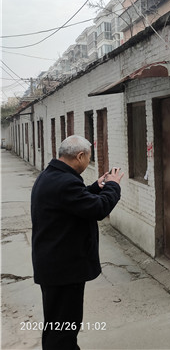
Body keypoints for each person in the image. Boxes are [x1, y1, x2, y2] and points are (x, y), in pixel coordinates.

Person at [31, 135, 124, 350]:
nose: (88, 161)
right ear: (80, 156)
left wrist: (96, 187)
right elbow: (98, 209)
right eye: (89, 157)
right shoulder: (65, 182)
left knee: (57, 326)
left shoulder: (52, 175)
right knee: (63, 330)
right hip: (64, 270)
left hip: (55, 266)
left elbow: (76, 202)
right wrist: (113, 186)